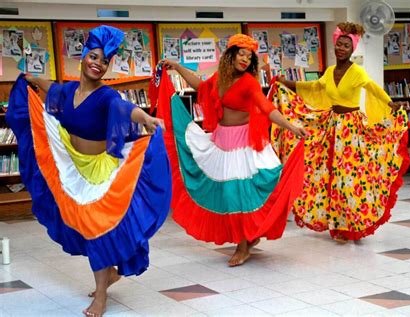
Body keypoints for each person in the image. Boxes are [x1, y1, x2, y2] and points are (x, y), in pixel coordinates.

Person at [7, 25, 172, 317]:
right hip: (72, 167)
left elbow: (125, 109)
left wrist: (144, 115)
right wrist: (30, 78)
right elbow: (51, 89)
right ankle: (107, 275)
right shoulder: (67, 91)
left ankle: (101, 295)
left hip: (101, 171)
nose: (98, 63)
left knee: (97, 230)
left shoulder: (106, 96)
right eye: (94, 56)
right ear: (84, 57)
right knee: (87, 228)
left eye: (104, 61)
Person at [155, 34, 307, 267]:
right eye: (241, 54)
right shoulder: (220, 78)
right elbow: (200, 85)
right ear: (230, 55)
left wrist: (291, 126)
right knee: (227, 194)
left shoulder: (249, 82)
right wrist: (176, 67)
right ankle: (247, 237)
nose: (245, 59)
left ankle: (243, 246)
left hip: (244, 144)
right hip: (221, 142)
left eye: (249, 56)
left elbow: (267, 108)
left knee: (239, 195)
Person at [268, 22, 410, 243]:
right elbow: (314, 87)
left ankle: (351, 225)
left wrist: (390, 104)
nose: (341, 48)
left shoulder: (357, 72)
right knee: (330, 176)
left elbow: (374, 89)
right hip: (332, 125)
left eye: (346, 45)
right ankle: (336, 223)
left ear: (352, 49)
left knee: (349, 178)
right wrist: (287, 83)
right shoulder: (330, 71)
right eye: (339, 44)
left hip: (352, 129)